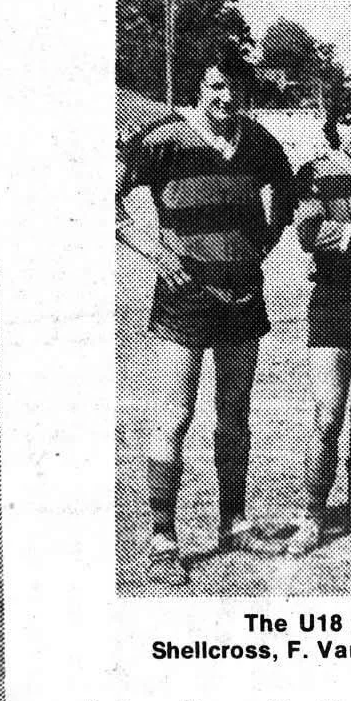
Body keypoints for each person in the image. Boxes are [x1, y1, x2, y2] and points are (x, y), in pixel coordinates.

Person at [117, 56, 297, 584]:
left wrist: (265, 239)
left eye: (234, 89)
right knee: (176, 413)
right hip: (186, 294)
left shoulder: (260, 141)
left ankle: (234, 522)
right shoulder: (164, 138)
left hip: (243, 293)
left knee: (235, 410)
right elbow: (111, 198)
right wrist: (154, 252)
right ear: (201, 88)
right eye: (216, 87)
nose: (225, 97)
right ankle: (162, 535)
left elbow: (285, 192)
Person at [286, 87, 351, 554]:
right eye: (348, 121)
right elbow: (308, 234)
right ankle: (312, 517)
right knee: (327, 415)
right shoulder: (315, 173)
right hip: (334, 297)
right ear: (335, 126)